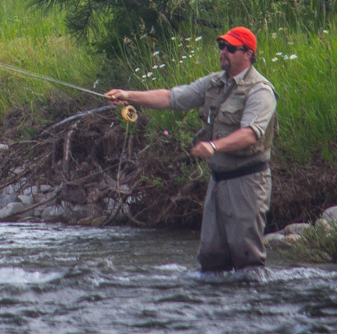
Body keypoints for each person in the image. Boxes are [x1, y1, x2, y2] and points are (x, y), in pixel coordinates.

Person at [105, 26, 277, 272]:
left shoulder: (260, 90)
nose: (223, 52)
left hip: (247, 182)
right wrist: (128, 95)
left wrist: (214, 146)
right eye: (221, 46)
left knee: (247, 257)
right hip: (218, 181)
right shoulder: (213, 83)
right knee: (211, 257)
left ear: (248, 54)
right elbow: (171, 98)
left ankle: (250, 306)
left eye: (230, 48)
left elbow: (251, 135)